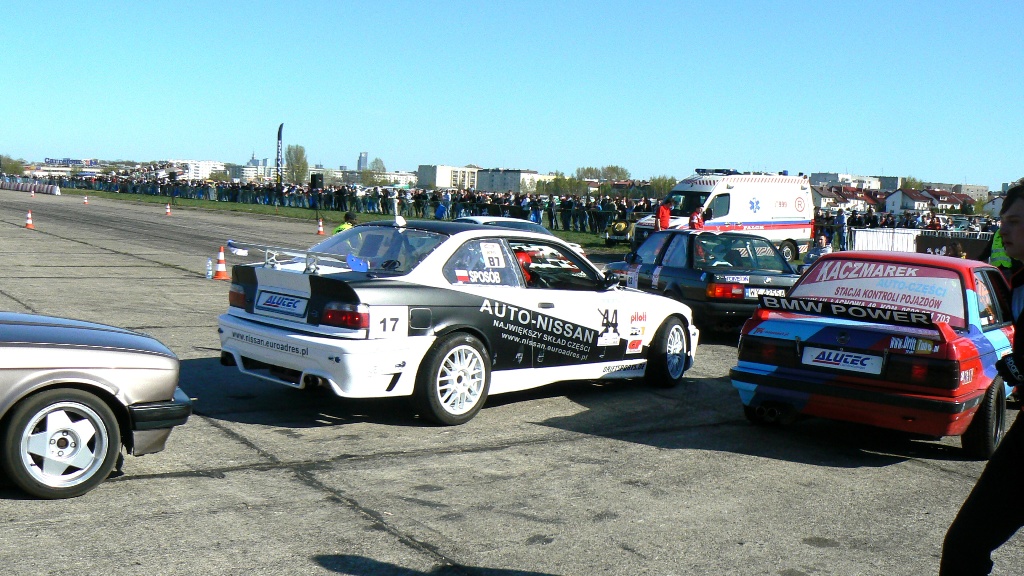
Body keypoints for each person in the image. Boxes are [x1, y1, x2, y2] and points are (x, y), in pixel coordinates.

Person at [940, 183, 1024, 575]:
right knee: (965, 545)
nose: (1003, 230)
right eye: (1003, 221)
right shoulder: (1018, 280)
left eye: (1015, 221)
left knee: (965, 545)